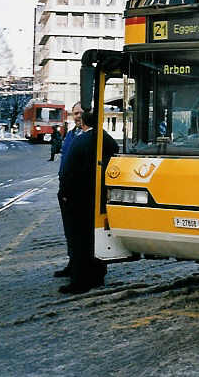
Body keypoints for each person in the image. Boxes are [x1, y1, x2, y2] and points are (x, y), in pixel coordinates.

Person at [58, 108, 118, 294]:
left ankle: (79, 280)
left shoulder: (80, 140)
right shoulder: (105, 138)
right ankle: (97, 275)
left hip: (77, 197)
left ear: (83, 121)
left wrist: (65, 193)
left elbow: (68, 170)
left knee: (78, 240)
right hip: (97, 195)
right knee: (94, 236)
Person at [54, 102, 85, 278]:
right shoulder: (71, 134)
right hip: (65, 189)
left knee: (80, 231)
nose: (78, 116)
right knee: (69, 230)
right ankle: (72, 262)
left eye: (81, 113)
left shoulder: (91, 135)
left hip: (80, 191)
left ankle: (81, 267)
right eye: (75, 113)